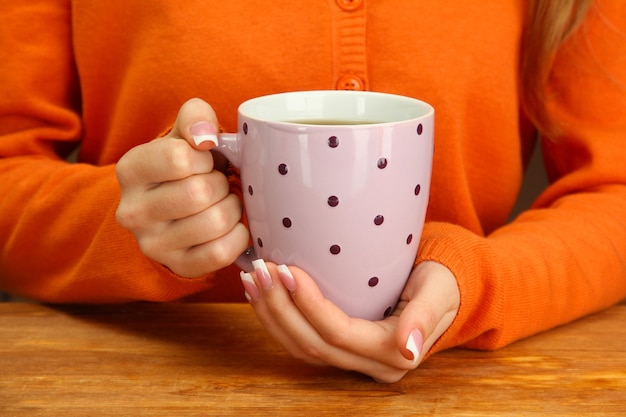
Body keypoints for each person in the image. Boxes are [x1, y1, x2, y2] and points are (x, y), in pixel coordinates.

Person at [1, 1, 625, 383]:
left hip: (466, 388)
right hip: (141, 378)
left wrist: (480, 280)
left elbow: (615, 193)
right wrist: (136, 224)